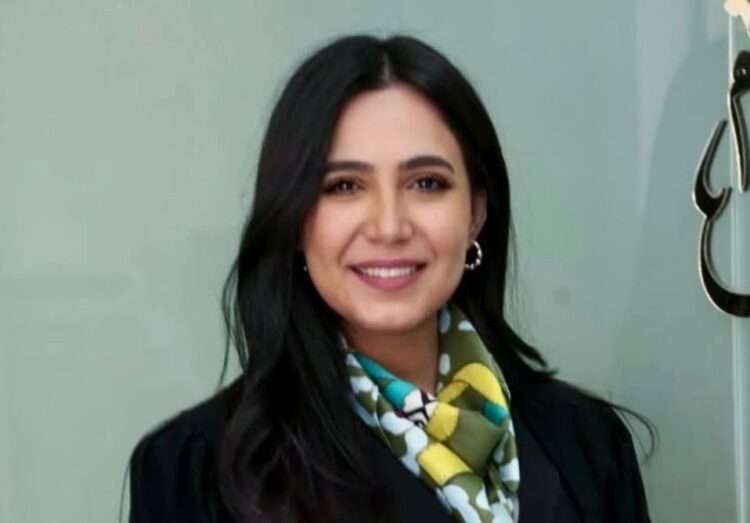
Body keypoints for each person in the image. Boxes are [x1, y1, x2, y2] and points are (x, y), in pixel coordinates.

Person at [127, 34, 654, 523]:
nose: (389, 226)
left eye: (426, 183)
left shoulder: (587, 445)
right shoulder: (198, 472)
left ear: (475, 212)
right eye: (344, 186)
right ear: (295, 220)